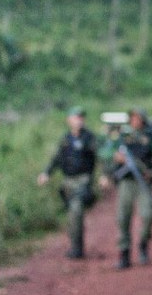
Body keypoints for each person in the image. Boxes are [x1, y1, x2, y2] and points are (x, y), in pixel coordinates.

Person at [99, 108, 152, 269]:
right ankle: (124, 254)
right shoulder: (122, 137)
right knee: (123, 217)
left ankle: (143, 243)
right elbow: (104, 152)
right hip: (126, 181)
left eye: (138, 118)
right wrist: (116, 157)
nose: (135, 121)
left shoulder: (150, 136)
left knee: (150, 214)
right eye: (132, 118)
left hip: (143, 181)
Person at [37, 106, 98, 259]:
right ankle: (75, 245)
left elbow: (101, 156)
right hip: (68, 182)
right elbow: (57, 158)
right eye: (76, 117)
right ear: (69, 120)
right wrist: (46, 173)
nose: (79, 121)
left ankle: (77, 249)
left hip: (83, 181)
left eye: (81, 117)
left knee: (76, 212)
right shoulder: (66, 139)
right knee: (71, 215)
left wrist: (105, 176)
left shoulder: (89, 138)